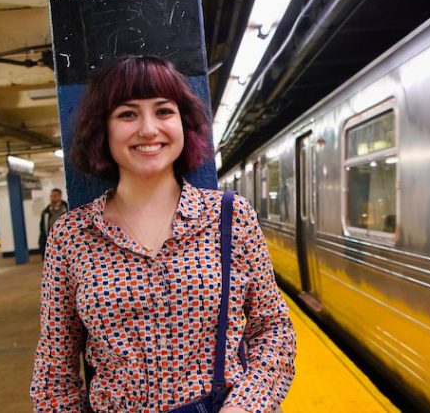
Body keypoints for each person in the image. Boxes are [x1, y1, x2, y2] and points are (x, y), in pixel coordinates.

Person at [30, 55, 296, 412]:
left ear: (183, 123)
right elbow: (54, 371)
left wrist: (246, 407)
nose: (148, 129)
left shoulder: (230, 217)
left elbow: (272, 328)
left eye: (164, 111)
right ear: (103, 129)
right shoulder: (72, 236)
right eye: (127, 114)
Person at [38, 188, 68, 253]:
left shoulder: (67, 210)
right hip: (51, 244)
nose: (52, 198)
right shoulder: (46, 212)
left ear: (60, 197)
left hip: (65, 243)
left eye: (55, 196)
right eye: (51, 196)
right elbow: (42, 229)